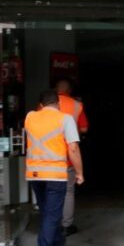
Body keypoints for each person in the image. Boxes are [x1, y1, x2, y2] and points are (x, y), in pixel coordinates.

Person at [25, 90, 84, 246]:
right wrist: (80, 173)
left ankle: (58, 243)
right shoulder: (65, 119)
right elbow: (73, 148)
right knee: (51, 216)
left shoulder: (30, 117)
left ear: (41, 105)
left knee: (48, 213)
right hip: (56, 175)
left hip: (35, 175)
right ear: (58, 103)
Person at [55, 77, 89, 236]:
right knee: (68, 191)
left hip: (47, 157)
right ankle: (66, 225)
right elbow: (84, 129)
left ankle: (51, 224)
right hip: (68, 155)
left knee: (51, 192)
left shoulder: (44, 105)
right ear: (69, 91)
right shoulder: (77, 105)